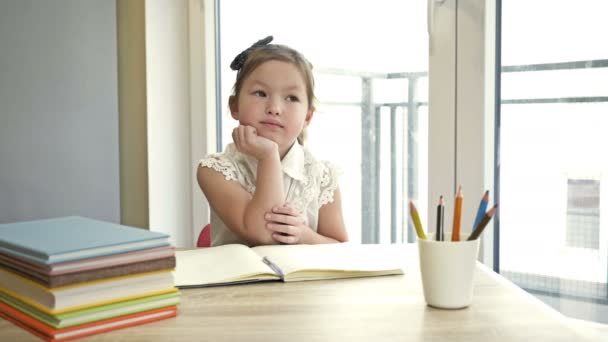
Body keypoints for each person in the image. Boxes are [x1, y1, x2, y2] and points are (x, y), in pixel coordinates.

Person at [197, 36, 348, 247]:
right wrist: (268, 156)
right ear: (235, 106)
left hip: (304, 281)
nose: (274, 108)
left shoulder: (322, 177)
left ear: (307, 117)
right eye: (260, 93)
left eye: (291, 98)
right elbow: (262, 233)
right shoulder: (215, 170)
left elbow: (341, 248)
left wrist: (303, 235)